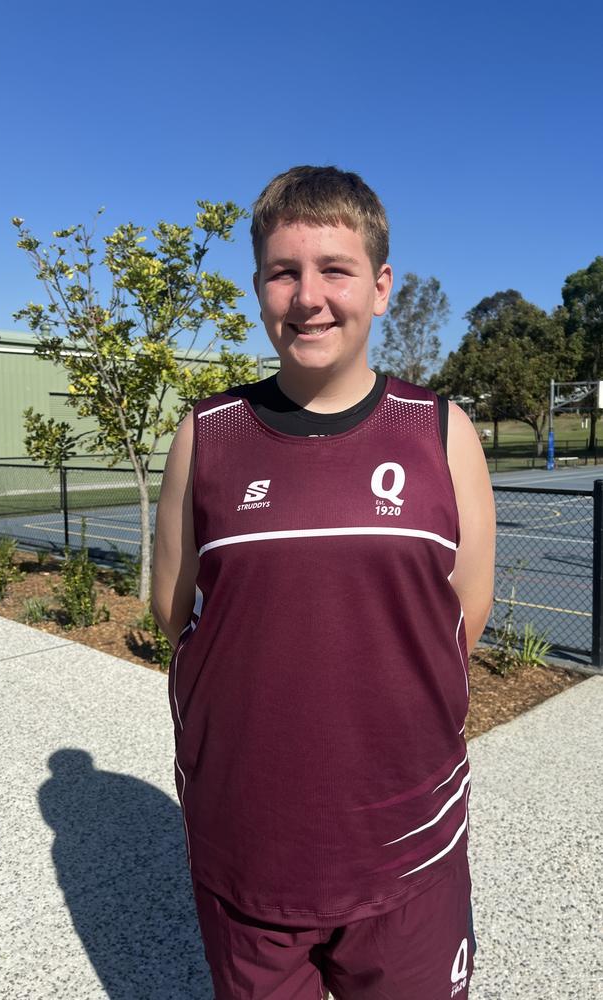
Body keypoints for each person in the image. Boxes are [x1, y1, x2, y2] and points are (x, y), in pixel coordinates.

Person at [151, 165, 496, 1000]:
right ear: (260, 287)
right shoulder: (208, 435)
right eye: (284, 271)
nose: (308, 297)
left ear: (380, 288)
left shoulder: (441, 433)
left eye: (334, 269)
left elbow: (461, 621)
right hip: (249, 853)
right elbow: (174, 611)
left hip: (409, 853)